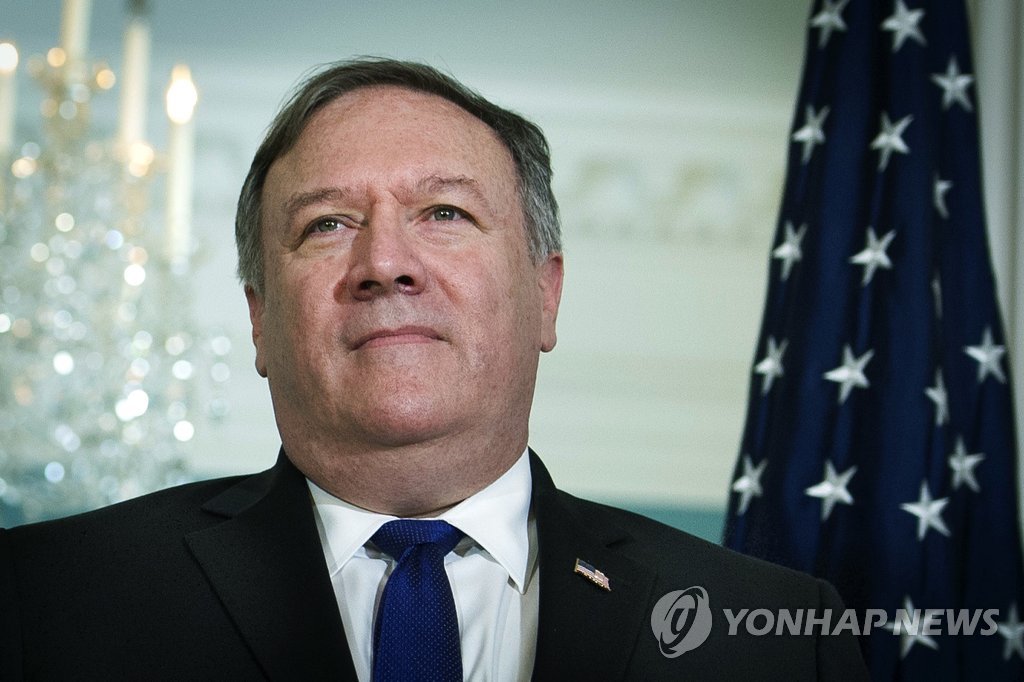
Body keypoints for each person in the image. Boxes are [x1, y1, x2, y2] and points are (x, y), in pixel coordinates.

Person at [0, 57, 868, 680]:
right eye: (327, 224)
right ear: (259, 320)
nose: (386, 263)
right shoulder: (41, 599)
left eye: (445, 212)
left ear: (545, 294)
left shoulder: (780, 642)